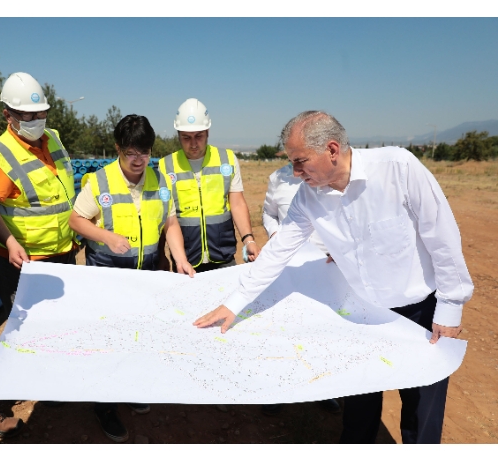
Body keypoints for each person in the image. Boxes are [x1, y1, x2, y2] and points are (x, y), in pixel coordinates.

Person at [195, 111, 473, 444]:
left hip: (420, 316)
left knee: (420, 412)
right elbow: (279, 250)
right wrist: (235, 303)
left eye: (300, 162)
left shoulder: (399, 168)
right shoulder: (309, 197)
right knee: (358, 405)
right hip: (361, 314)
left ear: (331, 150)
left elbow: (441, 237)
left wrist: (450, 307)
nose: (296, 173)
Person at [69, 114, 195, 442]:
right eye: (130, 153)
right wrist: (105, 236)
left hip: (146, 275)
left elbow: (170, 224)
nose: (138, 160)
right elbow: (76, 220)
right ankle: (104, 405)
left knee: (140, 337)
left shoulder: (159, 182)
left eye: (145, 152)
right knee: (109, 341)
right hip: (108, 276)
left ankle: (132, 388)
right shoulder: (98, 181)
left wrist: (179, 259)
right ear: (118, 149)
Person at [0, 72, 77, 436]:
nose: (35, 120)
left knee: (53, 328)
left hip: (60, 254)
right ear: (8, 115)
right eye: (26, 115)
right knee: (21, 332)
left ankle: (43, 383)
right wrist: (9, 240)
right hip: (21, 262)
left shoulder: (54, 140)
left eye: (40, 113)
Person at [260, 161, 341, 416]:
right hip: (289, 269)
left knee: (323, 333)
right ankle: (280, 390)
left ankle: (322, 388)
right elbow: (268, 214)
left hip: (326, 269)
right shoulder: (278, 178)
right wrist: (275, 236)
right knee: (285, 331)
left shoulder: (335, 177)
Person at [158, 98, 260, 272]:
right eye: (186, 138)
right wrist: (161, 255)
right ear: (178, 135)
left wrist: (248, 239)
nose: (193, 143)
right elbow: (162, 216)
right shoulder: (166, 165)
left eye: (199, 136)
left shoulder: (227, 159)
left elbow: (237, 203)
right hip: (185, 260)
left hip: (223, 256)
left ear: (208, 131)